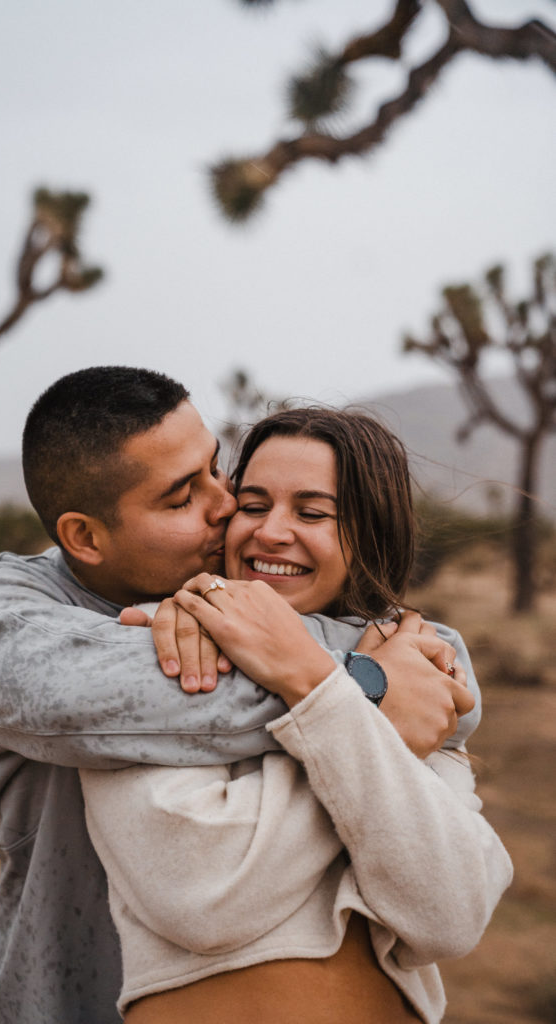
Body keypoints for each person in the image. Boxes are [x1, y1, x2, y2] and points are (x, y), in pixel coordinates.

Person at [0, 368, 480, 1024]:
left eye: (215, 471)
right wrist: (369, 688)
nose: (225, 507)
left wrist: (368, 676)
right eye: (179, 498)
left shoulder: (234, 605)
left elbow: (446, 678)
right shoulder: (5, 616)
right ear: (84, 536)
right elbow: (128, 701)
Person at [79, 407, 513, 1024]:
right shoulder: (164, 647)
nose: (272, 532)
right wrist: (367, 711)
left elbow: (451, 915)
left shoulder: (409, 665)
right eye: (252, 505)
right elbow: (202, 895)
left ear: (371, 534)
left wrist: (323, 684)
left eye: (312, 513)